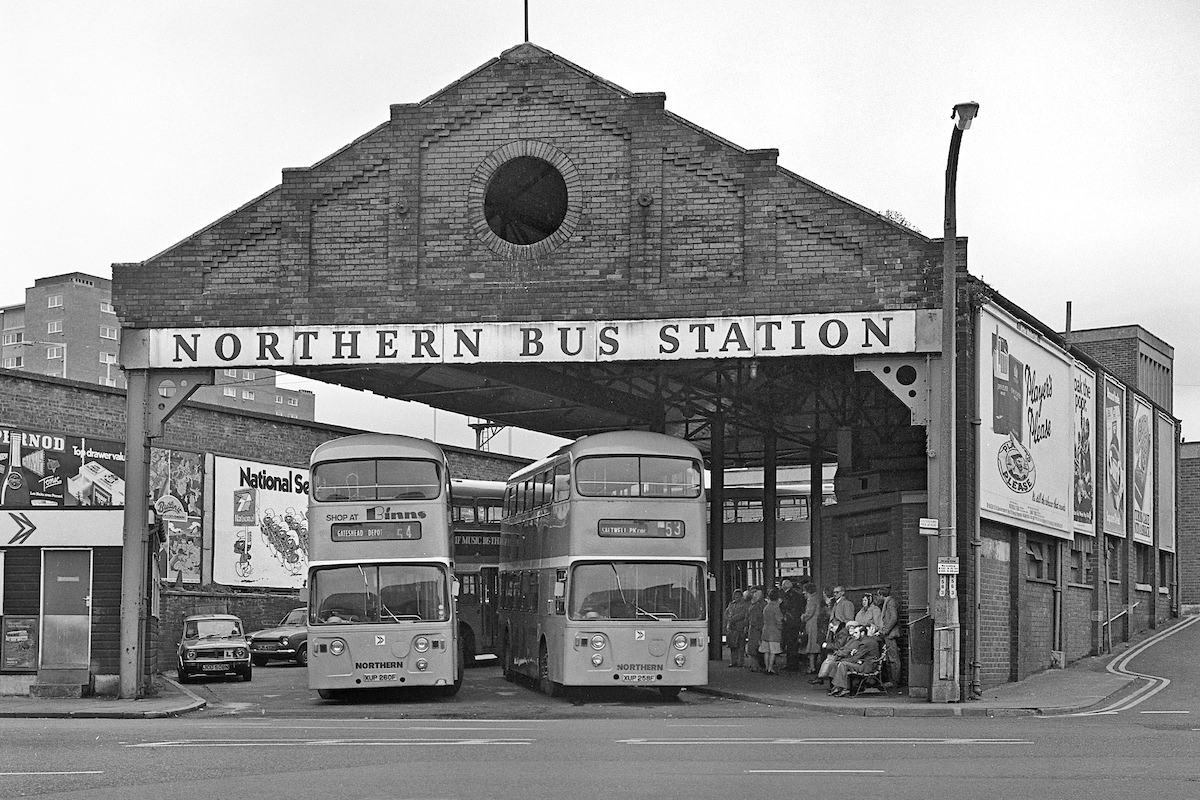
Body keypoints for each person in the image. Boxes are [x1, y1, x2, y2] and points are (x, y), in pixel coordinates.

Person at [827, 621, 881, 697]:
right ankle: (838, 687)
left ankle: (844, 688)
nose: (853, 634)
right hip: (865, 662)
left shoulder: (865, 643)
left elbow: (855, 658)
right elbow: (861, 654)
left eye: (856, 633)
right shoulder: (866, 641)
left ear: (862, 633)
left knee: (843, 664)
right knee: (838, 663)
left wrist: (844, 660)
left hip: (867, 666)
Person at [874, 586, 901, 686]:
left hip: (890, 634)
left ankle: (894, 681)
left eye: (878, 595)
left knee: (893, 658)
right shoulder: (888, 602)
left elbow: (893, 618)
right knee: (890, 658)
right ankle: (891, 680)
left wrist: (885, 631)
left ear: (881, 595)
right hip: (889, 634)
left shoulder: (890, 603)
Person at [779, 578, 806, 671]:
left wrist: (781, 604)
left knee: (790, 644)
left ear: (784, 586)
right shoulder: (798, 595)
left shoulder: (787, 596)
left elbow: (786, 607)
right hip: (796, 621)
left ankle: (791, 664)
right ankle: (794, 664)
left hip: (789, 622)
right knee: (794, 644)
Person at [723, 588, 751, 667]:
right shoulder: (731, 604)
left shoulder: (745, 604)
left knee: (740, 646)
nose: (736, 597)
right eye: (735, 596)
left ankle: (740, 662)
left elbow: (743, 614)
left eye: (738, 596)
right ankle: (733, 661)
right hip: (731, 628)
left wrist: (733, 619)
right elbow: (726, 612)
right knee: (732, 646)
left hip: (740, 627)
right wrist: (728, 618)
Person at [800, 582, 824, 673]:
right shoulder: (817, 598)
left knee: (811, 646)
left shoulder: (811, 600)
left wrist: (803, 617)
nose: (804, 595)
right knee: (815, 646)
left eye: (805, 592)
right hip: (817, 624)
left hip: (812, 625)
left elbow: (809, 613)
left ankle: (812, 667)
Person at [759, 588, 784, 674]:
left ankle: (766, 668)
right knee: (773, 651)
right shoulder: (776, 608)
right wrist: (781, 627)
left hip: (765, 630)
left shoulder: (766, 607)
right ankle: (770, 668)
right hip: (774, 631)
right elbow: (778, 620)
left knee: (766, 651)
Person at [744, 588, 766, 672]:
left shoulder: (752, 606)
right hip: (758, 628)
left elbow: (751, 619)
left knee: (753, 648)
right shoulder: (760, 606)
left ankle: (754, 665)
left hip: (754, 629)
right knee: (756, 647)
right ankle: (755, 665)